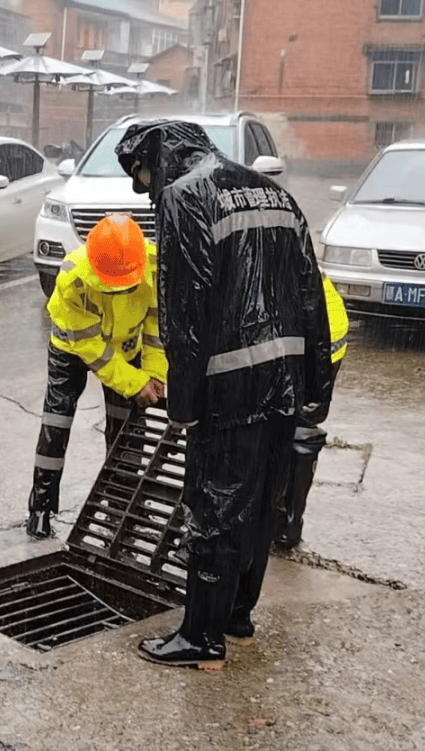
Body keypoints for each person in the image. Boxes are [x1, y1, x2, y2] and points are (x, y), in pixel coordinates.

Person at [115, 120, 333, 668]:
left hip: (231, 385)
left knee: (213, 509)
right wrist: (317, 384)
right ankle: (237, 616)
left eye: (143, 177)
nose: (148, 191)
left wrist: (184, 406)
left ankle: (200, 637)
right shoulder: (275, 193)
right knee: (261, 504)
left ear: (159, 159)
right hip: (284, 383)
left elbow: (184, 312)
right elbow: (310, 289)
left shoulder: (187, 195)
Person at [25, 214, 167, 539]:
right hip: (73, 348)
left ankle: (121, 506)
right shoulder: (73, 277)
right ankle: (41, 508)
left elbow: (157, 327)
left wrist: (153, 375)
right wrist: (135, 383)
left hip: (127, 345)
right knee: (57, 421)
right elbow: (95, 352)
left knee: (128, 428)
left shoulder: (156, 264)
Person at [274, 275, 348, 549]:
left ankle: (286, 526)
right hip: (306, 325)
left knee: (298, 429)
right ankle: (282, 522)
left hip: (314, 338)